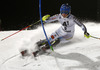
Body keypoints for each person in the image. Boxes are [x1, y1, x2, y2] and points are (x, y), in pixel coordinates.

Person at [21, 4, 90, 57]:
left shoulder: (72, 18)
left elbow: (81, 25)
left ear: (69, 12)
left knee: (57, 40)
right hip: (60, 31)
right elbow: (49, 20)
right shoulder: (58, 16)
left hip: (68, 35)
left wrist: (85, 32)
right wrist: (45, 19)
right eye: (62, 12)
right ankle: (31, 49)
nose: (64, 14)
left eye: (66, 12)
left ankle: (44, 48)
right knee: (48, 39)